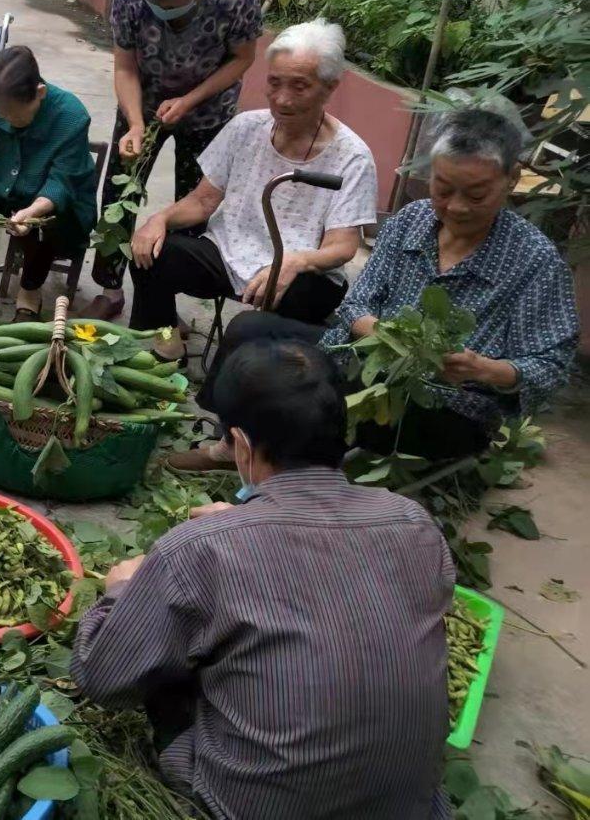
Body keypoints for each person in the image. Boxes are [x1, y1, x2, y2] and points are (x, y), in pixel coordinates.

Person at [72, 339, 454, 820]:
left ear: (244, 446)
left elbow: (100, 679)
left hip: (255, 805)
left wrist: (121, 590)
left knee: (166, 665)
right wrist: (246, 526)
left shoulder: (197, 549)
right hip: (409, 808)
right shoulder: (413, 522)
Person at [178, 105, 578, 470]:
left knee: (310, 388)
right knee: (251, 330)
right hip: (362, 359)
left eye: (476, 194)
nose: (456, 206)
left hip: (445, 405)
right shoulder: (412, 220)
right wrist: (381, 334)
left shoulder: (534, 261)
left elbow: (551, 367)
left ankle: (283, 470)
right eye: (443, 189)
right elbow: (356, 304)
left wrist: (487, 369)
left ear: (510, 180)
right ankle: (235, 445)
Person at [127, 19, 378, 358]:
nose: (282, 99)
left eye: (300, 86)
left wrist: (298, 259)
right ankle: (163, 349)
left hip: (298, 270)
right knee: (152, 254)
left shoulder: (353, 157)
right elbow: (203, 200)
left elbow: (342, 246)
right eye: (274, 83)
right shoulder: (246, 127)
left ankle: (251, 373)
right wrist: (160, 219)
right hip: (229, 253)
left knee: (304, 298)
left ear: (330, 86)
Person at [86, 0, 263, 319]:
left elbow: (242, 57)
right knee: (120, 194)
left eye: (173, 3)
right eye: (157, 3)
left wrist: (190, 99)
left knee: (192, 204)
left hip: (208, 110)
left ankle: (165, 300)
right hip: (142, 104)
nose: (164, 11)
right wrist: (134, 123)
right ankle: (110, 290)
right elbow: (125, 65)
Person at [0, 47, 96, 319]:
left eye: (16, 114)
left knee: (44, 222)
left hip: (55, 204)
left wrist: (33, 210)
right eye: (2, 113)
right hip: (6, 193)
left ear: (40, 93)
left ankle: (30, 293)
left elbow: (62, 182)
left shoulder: (71, 116)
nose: (8, 119)